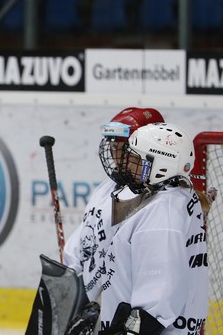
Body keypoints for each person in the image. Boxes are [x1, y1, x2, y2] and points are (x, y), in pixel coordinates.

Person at [61, 107, 166, 334]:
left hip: (129, 316)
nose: (115, 155)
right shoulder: (106, 189)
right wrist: (73, 289)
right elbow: (84, 243)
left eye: (123, 148)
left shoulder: (159, 200)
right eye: (112, 146)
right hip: (94, 310)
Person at [97, 122, 209, 334]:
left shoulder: (162, 214)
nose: (127, 165)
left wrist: (129, 331)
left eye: (135, 160)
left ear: (162, 164)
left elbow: (157, 298)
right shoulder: (175, 196)